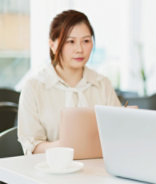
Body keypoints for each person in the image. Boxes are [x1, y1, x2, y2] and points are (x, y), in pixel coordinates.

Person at [18, 10, 121, 155]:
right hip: (50, 171)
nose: (79, 49)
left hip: (99, 169)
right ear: (52, 45)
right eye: (70, 41)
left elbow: (119, 132)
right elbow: (32, 147)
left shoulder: (102, 84)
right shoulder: (34, 87)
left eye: (86, 41)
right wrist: (66, 146)